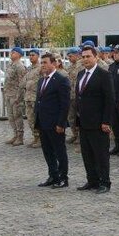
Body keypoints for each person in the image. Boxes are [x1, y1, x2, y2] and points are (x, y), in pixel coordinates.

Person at [75, 46, 115, 194]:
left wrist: (106, 121)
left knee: (101, 154)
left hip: (99, 122)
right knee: (87, 154)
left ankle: (104, 182)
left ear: (96, 57)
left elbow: (109, 99)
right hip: (84, 121)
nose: (85, 59)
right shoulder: (80, 74)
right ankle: (92, 180)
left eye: (88, 56)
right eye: (83, 57)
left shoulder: (103, 75)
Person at [34, 53, 71, 189]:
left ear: (54, 63)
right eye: (42, 63)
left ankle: (63, 178)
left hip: (55, 123)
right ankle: (53, 175)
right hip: (43, 122)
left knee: (59, 151)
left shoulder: (61, 80)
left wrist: (61, 123)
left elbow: (65, 104)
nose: (43, 65)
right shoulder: (41, 80)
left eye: (45, 62)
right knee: (47, 151)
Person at [3, 47, 28, 146]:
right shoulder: (10, 64)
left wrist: (19, 97)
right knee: (11, 116)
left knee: (17, 116)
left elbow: (22, 83)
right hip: (8, 94)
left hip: (16, 95)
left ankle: (20, 137)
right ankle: (15, 134)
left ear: (19, 55)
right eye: (11, 52)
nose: (11, 54)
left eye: (14, 52)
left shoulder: (20, 66)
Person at [22, 49, 42, 147]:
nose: (31, 57)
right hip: (28, 97)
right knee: (30, 119)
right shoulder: (29, 68)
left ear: (38, 56)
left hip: (36, 97)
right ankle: (35, 137)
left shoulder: (41, 68)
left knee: (38, 119)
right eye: (29, 55)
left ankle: (41, 139)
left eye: (33, 55)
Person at [65, 47, 82, 145]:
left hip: (78, 96)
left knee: (79, 117)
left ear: (77, 55)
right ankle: (74, 134)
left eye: (71, 56)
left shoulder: (82, 65)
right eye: (68, 56)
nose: (69, 58)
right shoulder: (70, 67)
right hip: (70, 95)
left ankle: (80, 136)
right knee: (71, 117)